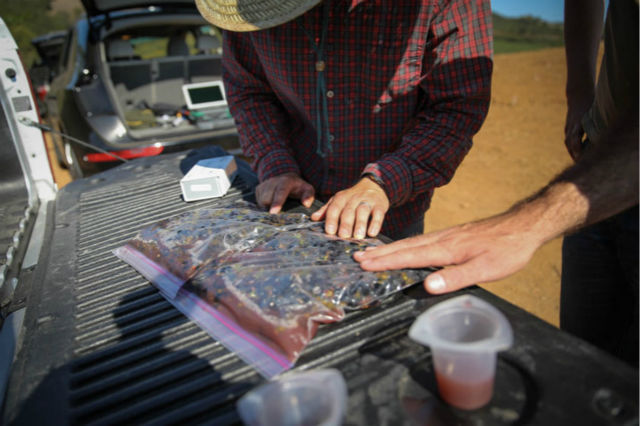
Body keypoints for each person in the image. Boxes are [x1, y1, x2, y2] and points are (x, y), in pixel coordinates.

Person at [355, 0, 639, 366]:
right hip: (595, 167)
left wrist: (524, 225)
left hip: (604, 179)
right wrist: (580, 91)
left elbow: (458, 105)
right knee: (581, 356)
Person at [194, 0, 493, 240]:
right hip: (291, 205)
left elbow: (457, 106)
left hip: (391, 217)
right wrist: (275, 165)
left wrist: (385, 181)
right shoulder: (246, 9)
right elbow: (249, 91)